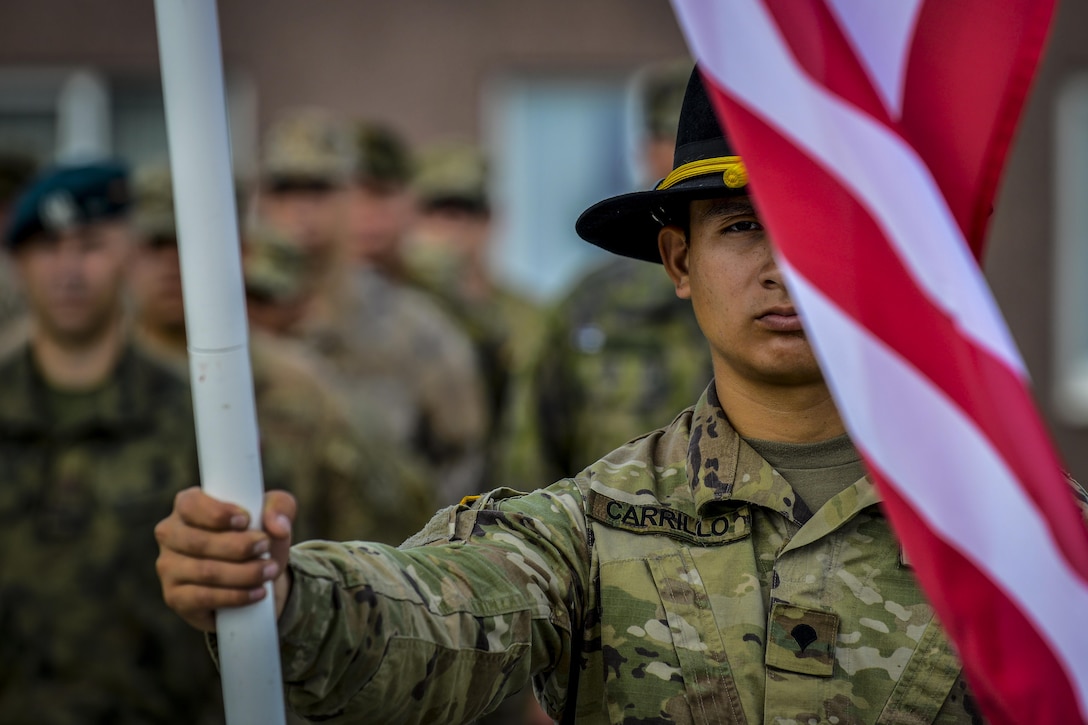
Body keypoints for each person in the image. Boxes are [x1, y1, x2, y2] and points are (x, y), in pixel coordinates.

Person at [153, 68, 1023, 723]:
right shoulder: (593, 524)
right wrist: (283, 593)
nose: (778, 269)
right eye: (742, 226)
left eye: (814, 226)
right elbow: (439, 607)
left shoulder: (1017, 540)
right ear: (679, 262)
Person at [0, 161, 223, 723]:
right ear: (19, 263)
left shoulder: (197, 418)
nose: (69, 270)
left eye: (90, 246)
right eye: (48, 248)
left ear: (128, 255)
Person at [126, 162, 436, 546]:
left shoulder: (303, 388)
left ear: (241, 253)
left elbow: (381, 528)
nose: (172, 264)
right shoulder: (88, 378)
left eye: (191, 243)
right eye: (155, 245)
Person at [498, 60, 713, 488]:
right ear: (643, 149)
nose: (682, 153)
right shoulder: (591, 306)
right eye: (668, 137)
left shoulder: (795, 293)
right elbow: (529, 454)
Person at [259, 110, 490, 504]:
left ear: (350, 198)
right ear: (261, 200)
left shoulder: (414, 330)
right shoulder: (227, 329)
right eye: (285, 190)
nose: (301, 209)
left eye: (319, 189)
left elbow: (463, 462)